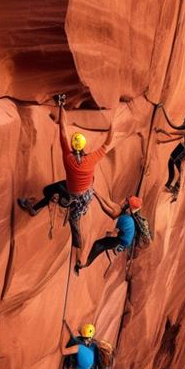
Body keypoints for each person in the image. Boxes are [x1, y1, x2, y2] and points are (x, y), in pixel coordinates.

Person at [17, 95, 114, 266]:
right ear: (83, 147)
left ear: (73, 145)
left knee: (50, 192)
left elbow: (62, 129)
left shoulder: (68, 157)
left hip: (71, 193)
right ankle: (80, 257)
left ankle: (35, 208)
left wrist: (61, 105)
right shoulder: (91, 159)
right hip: (85, 196)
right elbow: (107, 142)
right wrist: (113, 123)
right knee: (73, 221)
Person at [75, 195, 142, 274]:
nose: (123, 201)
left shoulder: (123, 216)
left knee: (99, 245)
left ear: (127, 206)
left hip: (121, 240)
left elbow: (107, 210)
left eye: (126, 201)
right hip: (124, 238)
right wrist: (96, 194)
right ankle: (86, 262)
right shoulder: (125, 214)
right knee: (100, 244)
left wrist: (97, 197)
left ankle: (86, 263)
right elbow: (109, 203)